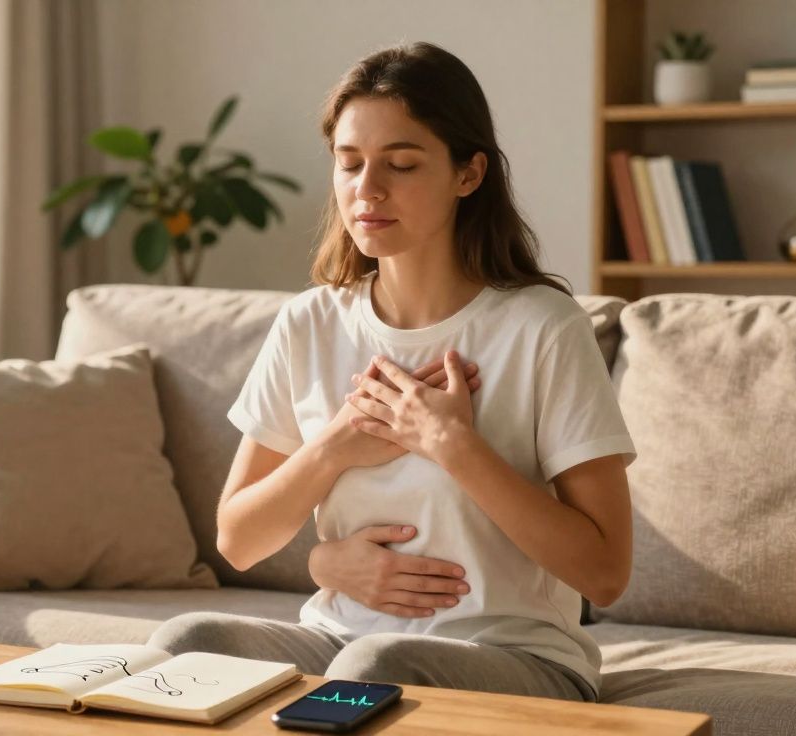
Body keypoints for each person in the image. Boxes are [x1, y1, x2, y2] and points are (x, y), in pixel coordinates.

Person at [146, 40, 636, 704]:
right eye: (349, 164)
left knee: (373, 668)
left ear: (469, 174)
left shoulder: (544, 328)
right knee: (183, 644)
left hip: (516, 655)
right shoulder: (310, 324)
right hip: (337, 640)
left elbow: (605, 573)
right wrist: (334, 450)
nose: (367, 190)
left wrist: (453, 446)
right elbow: (237, 539)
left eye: (401, 164)